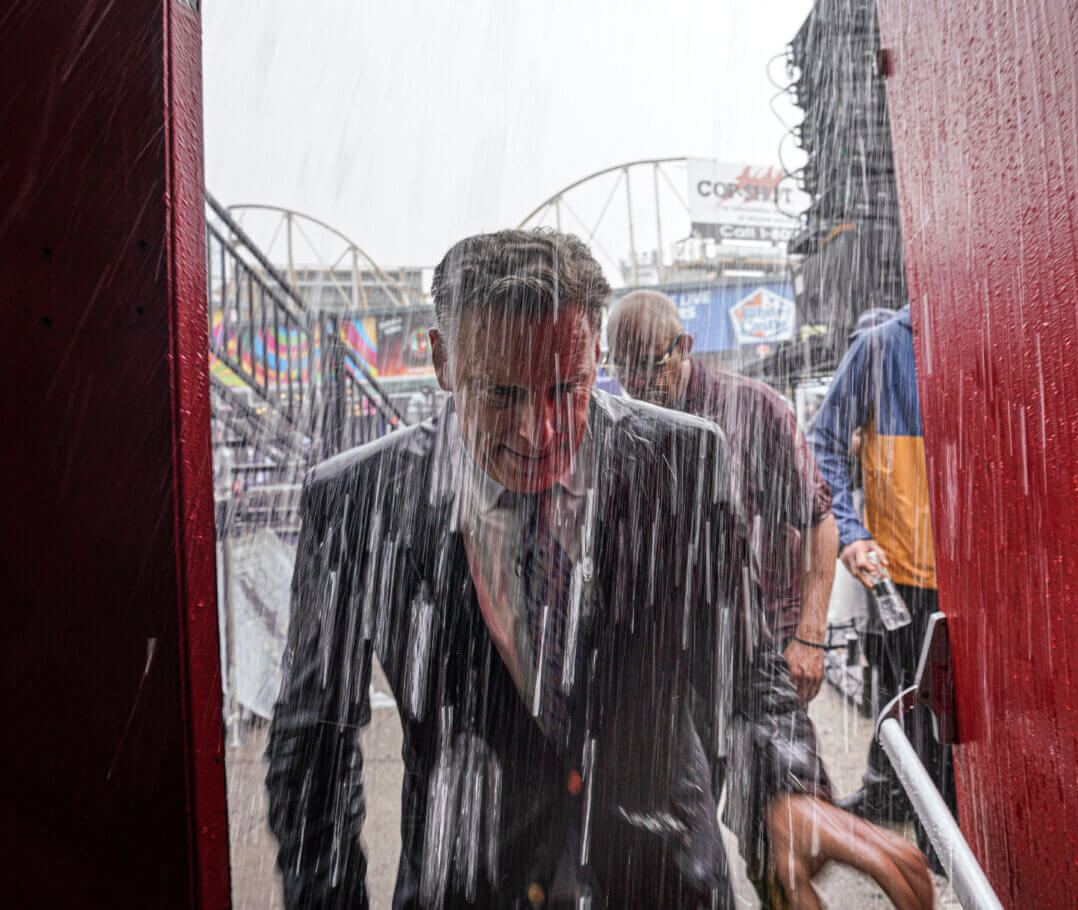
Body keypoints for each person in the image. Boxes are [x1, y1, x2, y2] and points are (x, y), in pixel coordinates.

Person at [267, 229, 933, 909]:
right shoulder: (357, 501)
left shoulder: (684, 463)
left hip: (665, 879)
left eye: (567, 388)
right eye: (499, 393)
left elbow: (741, 665)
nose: (539, 432)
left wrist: (786, 788)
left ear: (595, 359)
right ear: (441, 361)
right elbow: (311, 750)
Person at [605, 290, 838, 704]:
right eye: (622, 368)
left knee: (784, 766)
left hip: (763, 642)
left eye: (648, 365)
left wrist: (811, 637)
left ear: (684, 346)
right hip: (675, 652)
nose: (636, 384)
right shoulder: (624, 427)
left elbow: (819, 522)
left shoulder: (754, 408)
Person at [808, 304, 956, 869]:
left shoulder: (990, 321)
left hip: (978, 584)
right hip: (908, 576)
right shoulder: (880, 347)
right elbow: (823, 442)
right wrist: (850, 531)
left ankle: (924, 818)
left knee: (948, 715)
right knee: (914, 705)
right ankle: (936, 842)